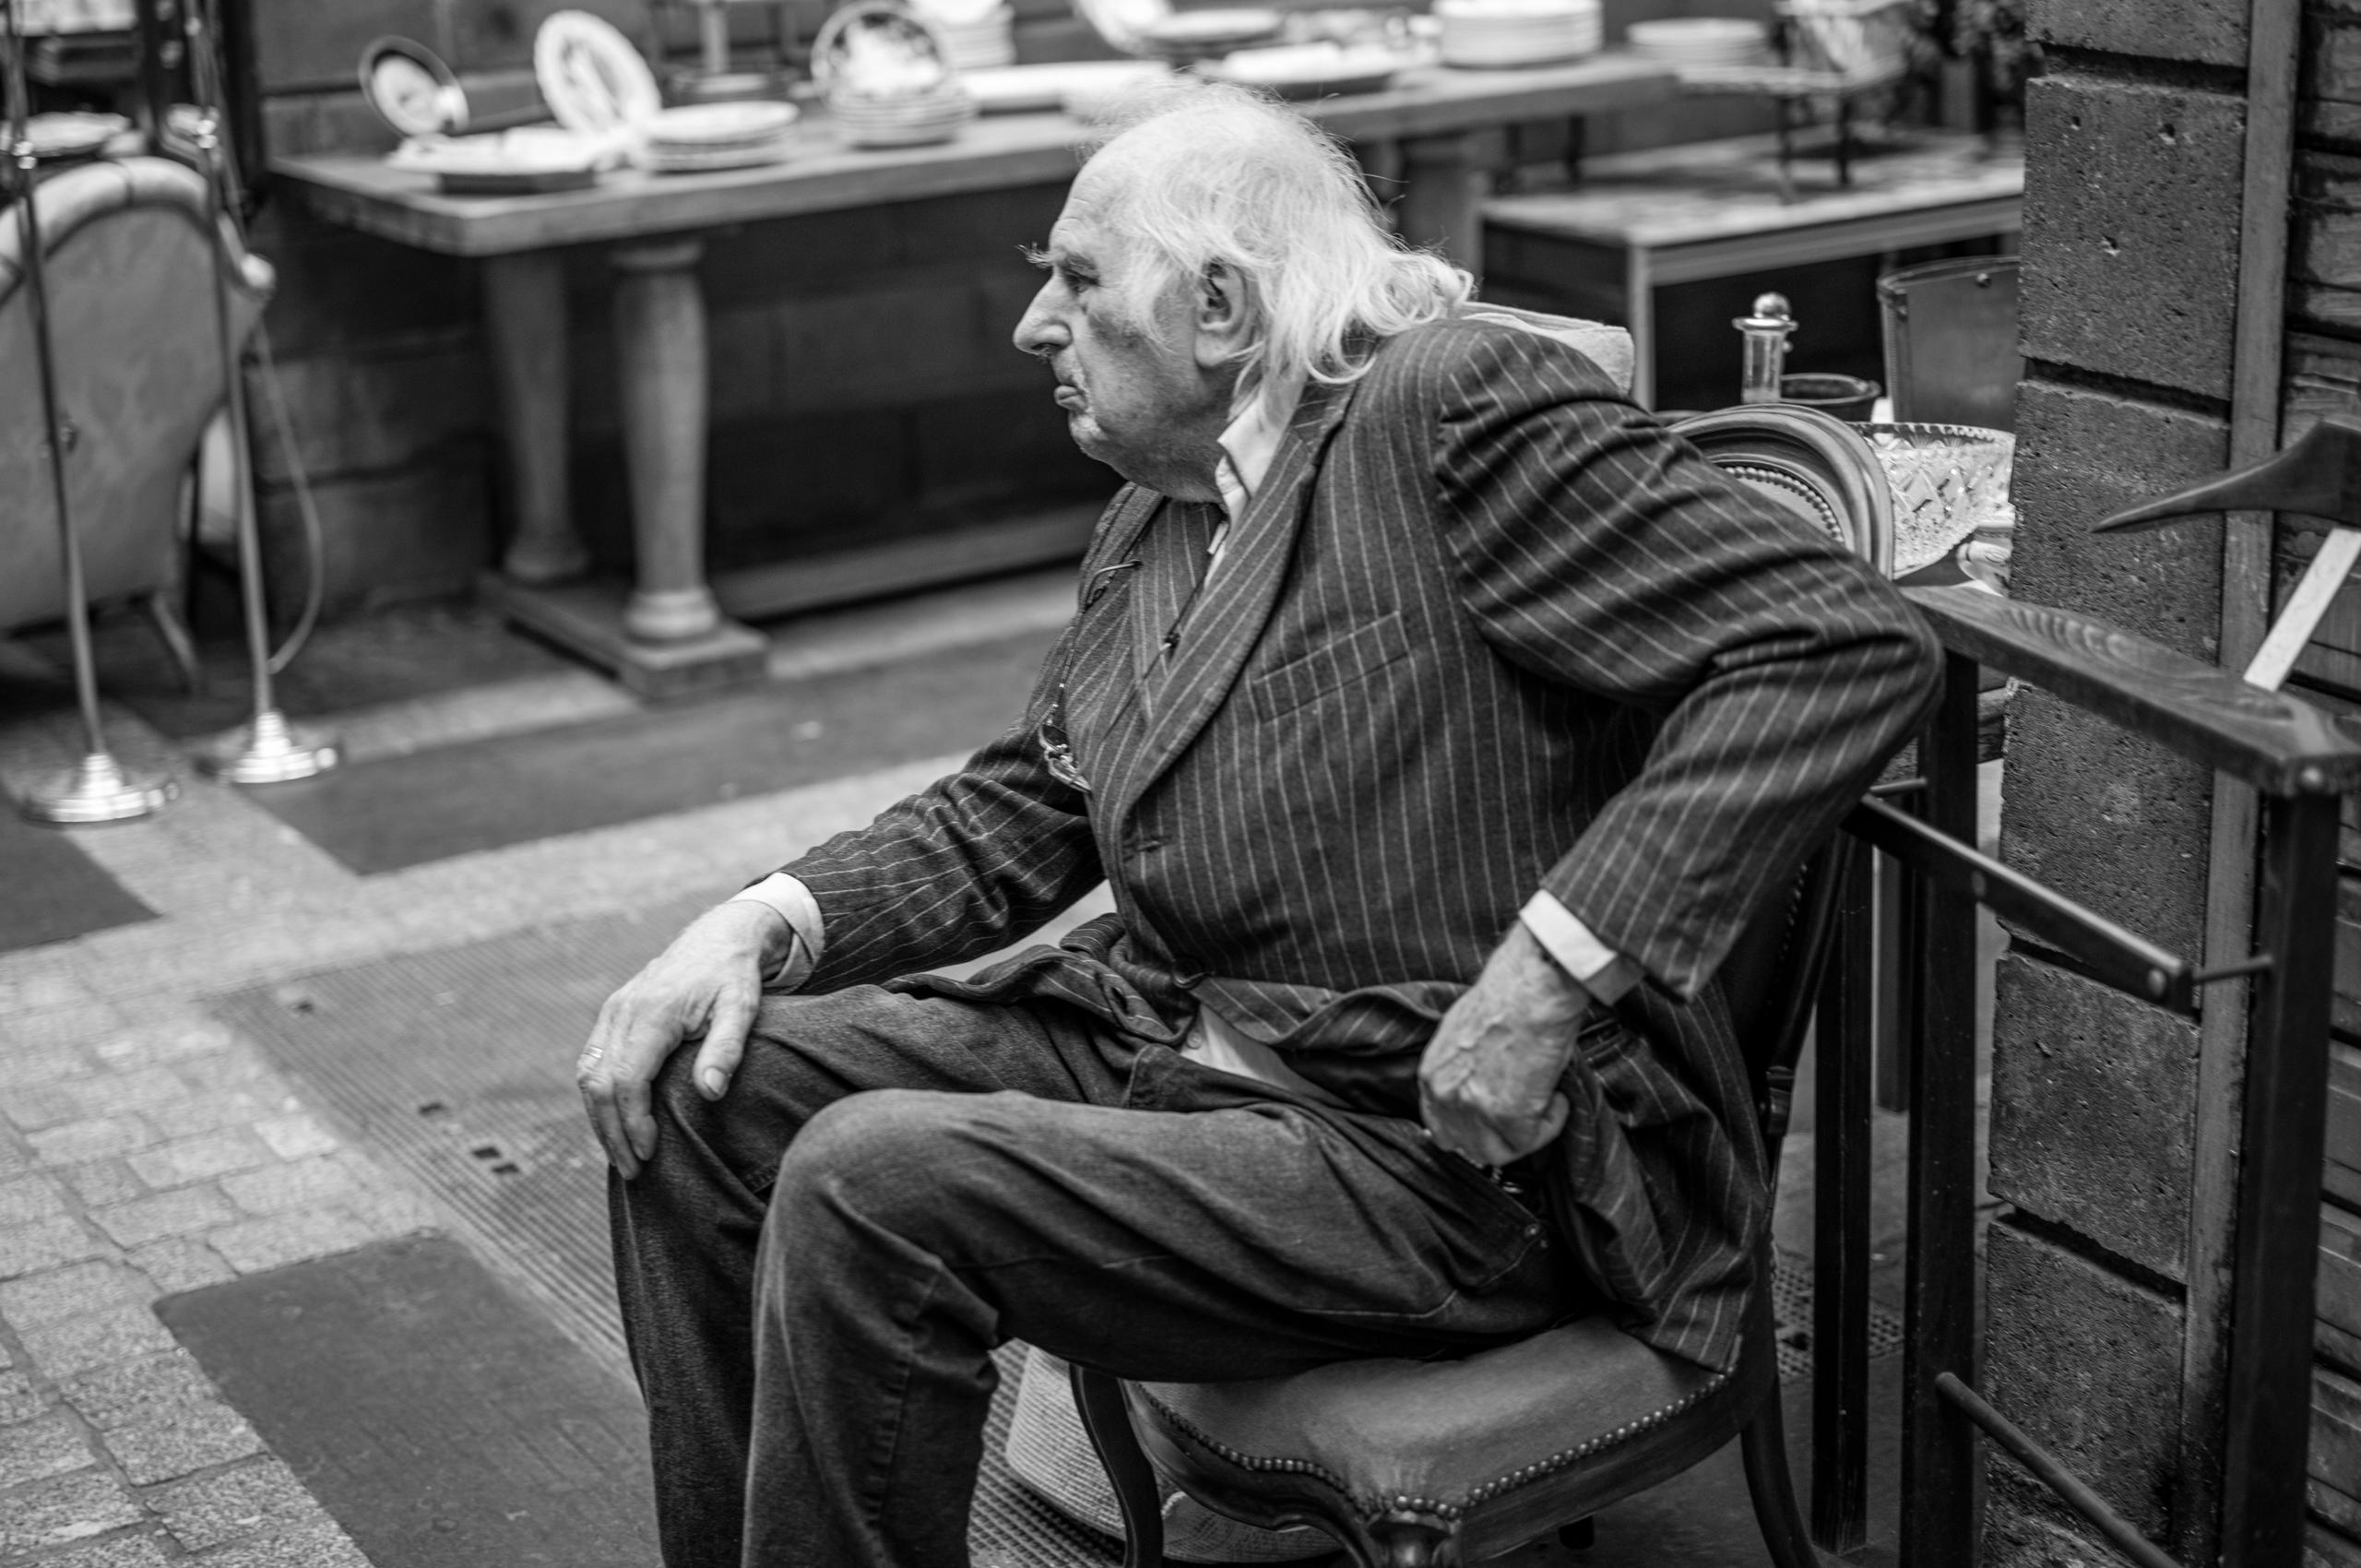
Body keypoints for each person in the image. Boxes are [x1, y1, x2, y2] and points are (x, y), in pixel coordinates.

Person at [579, 81, 1939, 1568]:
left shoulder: (1449, 405)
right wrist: (757, 921)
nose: (1037, 327)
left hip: (1443, 1152)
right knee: (706, 1085)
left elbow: (1839, 644)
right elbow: (1034, 803)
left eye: (1078, 282)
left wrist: (1547, 978)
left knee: (875, 1180)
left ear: (1220, 305)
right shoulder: (1164, 501)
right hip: (1188, 1054)